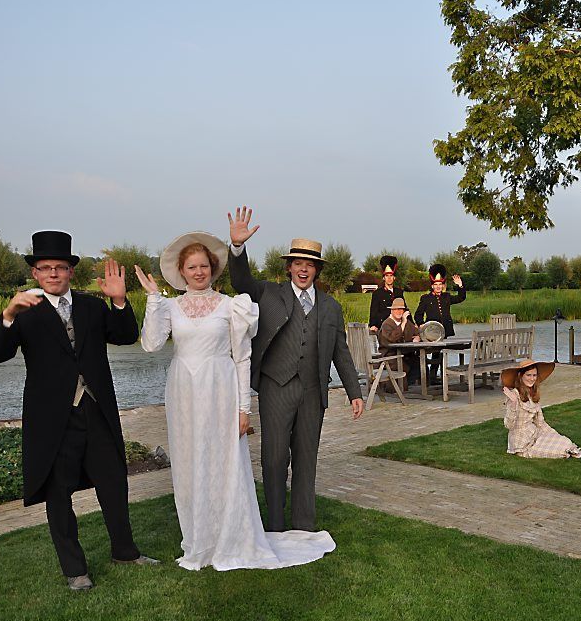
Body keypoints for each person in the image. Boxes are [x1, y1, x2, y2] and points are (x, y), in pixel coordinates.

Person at [137, 231, 338, 570]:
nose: (198, 272)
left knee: (223, 463)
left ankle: (231, 533)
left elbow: (242, 358)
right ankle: (198, 538)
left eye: (204, 266)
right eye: (192, 267)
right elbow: (152, 343)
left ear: (213, 269)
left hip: (221, 390)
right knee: (188, 464)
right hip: (183, 393)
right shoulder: (170, 307)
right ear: (182, 271)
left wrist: (244, 408)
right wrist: (154, 298)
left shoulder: (233, 306)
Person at [0, 231, 156, 590]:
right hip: (52, 418)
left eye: (60, 267)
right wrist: (6, 315)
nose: (53, 273)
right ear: (35, 273)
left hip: (96, 410)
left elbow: (126, 336)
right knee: (58, 494)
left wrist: (121, 301)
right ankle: (75, 570)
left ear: (70, 272)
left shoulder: (91, 306)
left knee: (113, 483)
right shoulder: (24, 311)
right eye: (45, 268)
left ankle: (125, 552)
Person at [227, 207, 364, 533]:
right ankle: (274, 525)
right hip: (276, 387)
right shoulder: (267, 293)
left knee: (306, 460)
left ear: (317, 270)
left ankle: (304, 526)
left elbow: (340, 351)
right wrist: (236, 248)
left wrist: (354, 391)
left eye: (310, 265)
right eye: (299, 263)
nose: (304, 269)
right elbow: (240, 280)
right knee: (274, 460)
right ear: (289, 267)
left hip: (313, 392)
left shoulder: (330, 306)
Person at [502, 360, 581, 459]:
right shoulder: (514, 395)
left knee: (565, 442)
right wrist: (513, 404)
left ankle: (564, 446)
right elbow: (509, 425)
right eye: (528, 375)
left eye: (534, 375)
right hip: (521, 442)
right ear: (520, 376)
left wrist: (556, 436)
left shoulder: (533, 394)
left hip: (535, 434)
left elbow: (540, 423)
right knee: (560, 451)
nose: (532, 379)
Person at [414, 263, 466, 380]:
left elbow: (461, 298)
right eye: (436, 284)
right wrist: (421, 324)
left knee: (441, 353)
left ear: (443, 285)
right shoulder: (425, 298)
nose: (438, 287)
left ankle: (438, 375)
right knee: (434, 353)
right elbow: (418, 314)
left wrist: (460, 286)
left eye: (440, 284)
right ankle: (430, 376)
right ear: (432, 286)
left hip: (445, 331)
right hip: (431, 332)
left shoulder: (446, 297)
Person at [377, 297, 422, 385]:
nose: (399, 312)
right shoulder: (387, 324)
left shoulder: (407, 323)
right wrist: (403, 323)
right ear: (392, 311)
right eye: (396, 309)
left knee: (420, 362)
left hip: (405, 354)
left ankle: (421, 390)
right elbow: (392, 339)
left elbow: (418, 332)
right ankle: (400, 388)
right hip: (390, 357)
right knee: (405, 366)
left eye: (401, 309)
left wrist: (418, 337)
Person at [368, 255, 406, 333]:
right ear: (383, 278)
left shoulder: (399, 292)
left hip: (398, 326)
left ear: (394, 277)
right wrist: (373, 325)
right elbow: (373, 312)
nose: (389, 278)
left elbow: (404, 309)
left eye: (391, 276)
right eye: (387, 276)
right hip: (383, 327)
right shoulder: (377, 293)